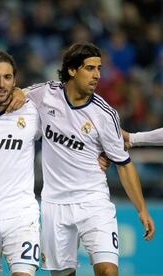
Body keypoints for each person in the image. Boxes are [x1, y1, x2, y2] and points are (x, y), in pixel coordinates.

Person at [24, 41, 155, 276]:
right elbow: (15, 95)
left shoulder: (105, 115)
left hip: (93, 201)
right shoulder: (45, 94)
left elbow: (124, 164)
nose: (97, 75)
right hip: (55, 204)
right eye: (90, 68)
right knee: (63, 274)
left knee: (107, 271)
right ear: (72, 70)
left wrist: (142, 209)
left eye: (99, 68)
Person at [0, 50, 41, 276]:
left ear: (15, 80)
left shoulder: (32, 111)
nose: (1, 84)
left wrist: (100, 151)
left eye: (7, 77)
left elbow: (65, 113)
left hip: (20, 215)